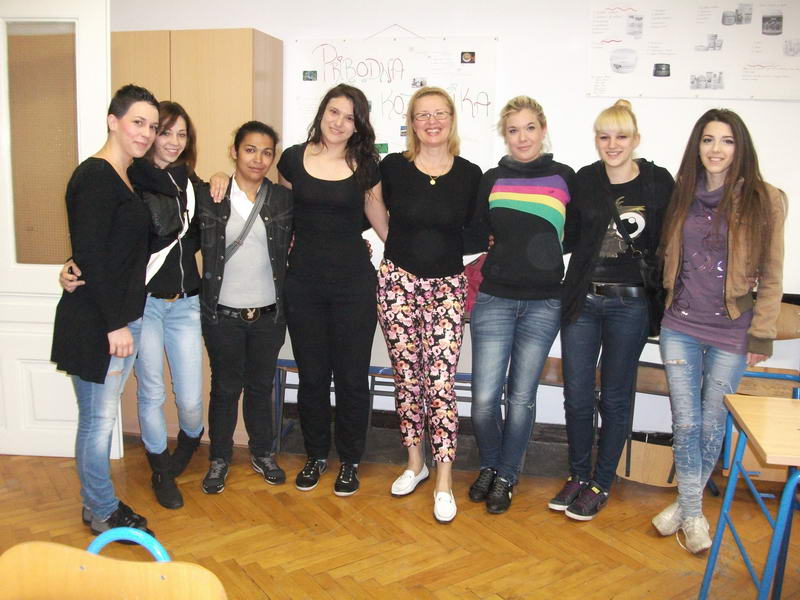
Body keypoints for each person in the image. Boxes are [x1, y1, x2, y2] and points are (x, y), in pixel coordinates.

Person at [60, 101, 205, 510]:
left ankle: (189, 441)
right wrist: (72, 265)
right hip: (143, 306)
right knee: (150, 392)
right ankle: (159, 469)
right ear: (117, 123)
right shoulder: (128, 180)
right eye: (162, 131)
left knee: (190, 398)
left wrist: (216, 179)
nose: (170, 141)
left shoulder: (192, 185)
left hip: (185, 305)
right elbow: (101, 241)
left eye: (180, 134)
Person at [652, 109, 785, 553]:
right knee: (686, 421)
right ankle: (694, 514)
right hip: (680, 325)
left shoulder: (766, 199)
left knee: (711, 424)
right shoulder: (682, 193)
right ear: (698, 146)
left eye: (726, 141)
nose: (716, 149)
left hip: (732, 330)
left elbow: (773, 275)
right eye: (708, 139)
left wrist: (762, 334)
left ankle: (685, 507)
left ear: (739, 147)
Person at [550, 99, 673, 521]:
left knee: (617, 398)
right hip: (583, 300)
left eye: (621, 136)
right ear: (596, 140)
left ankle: (602, 482)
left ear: (636, 139)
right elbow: (567, 236)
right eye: (604, 136)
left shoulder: (657, 181)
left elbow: (671, 240)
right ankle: (578, 476)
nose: (612, 144)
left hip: (631, 304)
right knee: (577, 395)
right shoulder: (585, 179)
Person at [51, 84, 159, 536]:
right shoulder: (95, 176)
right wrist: (116, 324)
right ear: (113, 121)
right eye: (138, 122)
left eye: (152, 126)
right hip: (99, 322)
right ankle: (103, 510)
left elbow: (100, 247)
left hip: (115, 314)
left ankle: (94, 502)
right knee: (98, 422)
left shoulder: (126, 176)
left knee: (97, 418)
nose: (146, 133)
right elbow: (92, 254)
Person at [378, 86, 483, 523]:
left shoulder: (470, 174)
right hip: (397, 284)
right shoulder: (392, 167)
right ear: (412, 123)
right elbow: (372, 203)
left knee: (440, 384)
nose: (432, 121)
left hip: (446, 287)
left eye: (440, 113)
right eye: (423, 115)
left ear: (451, 120)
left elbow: (476, 234)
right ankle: (415, 464)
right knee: (407, 378)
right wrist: (394, 244)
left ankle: (443, 479)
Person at [277, 85, 387, 496]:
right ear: (322, 112)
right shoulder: (292, 159)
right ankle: (315, 455)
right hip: (303, 285)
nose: (339, 122)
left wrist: (418, 259)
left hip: (353, 286)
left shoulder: (366, 166)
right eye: (334, 111)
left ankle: (350, 460)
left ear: (359, 125)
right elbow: (279, 217)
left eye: (349, 117)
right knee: (313, 377)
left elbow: (381, 222)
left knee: (352, 378)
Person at [468, 96, 575, 515]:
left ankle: (506, 475)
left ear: (542, 130)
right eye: (513, 130)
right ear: (505, 135)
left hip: (543, 304)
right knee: (483, 401)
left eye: (530, 128)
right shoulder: (492, 178)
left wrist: (543, 254)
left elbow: (574, 234)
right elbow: (478, 230)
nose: (522, 137)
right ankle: (490, 464)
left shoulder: (565, 177)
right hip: (494, 299)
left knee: (521, 398)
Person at [199, 121, 293, 495]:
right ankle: (219, 458)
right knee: (224, 389)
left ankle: (262, 453)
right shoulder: (212, 195)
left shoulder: (282, 199)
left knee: (260, 387)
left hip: (269, 315)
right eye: (250, 149)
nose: (258, 159)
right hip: (223, 315)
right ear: (234, 151)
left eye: (267, 152)